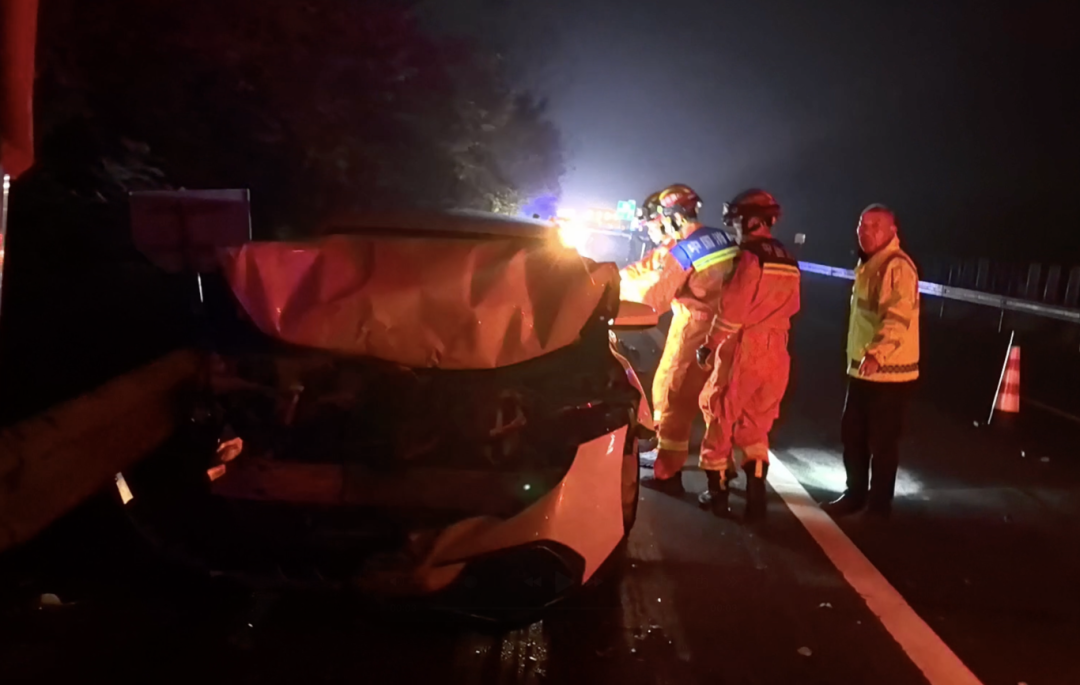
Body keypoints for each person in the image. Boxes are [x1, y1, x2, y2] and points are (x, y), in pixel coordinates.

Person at [621, 184, 739, 495]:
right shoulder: (720, 239)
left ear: (672, 217)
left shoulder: (683, 250)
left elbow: (653, 297)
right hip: (732, 331)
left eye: (657, 222)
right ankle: (722, 467)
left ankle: (667, 472)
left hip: (695, 331)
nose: (654, 229)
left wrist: (609, 290)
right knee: (718, 400)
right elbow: (651, 265)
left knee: (672, 395)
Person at [696, 189, 800, 521]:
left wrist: (710, 344)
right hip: (778, 350)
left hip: (746, 347)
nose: (735, 228)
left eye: (737, 221)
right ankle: (756, 499)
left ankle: (718, 494)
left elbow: (733, 310)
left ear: (753, 221)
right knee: (757, 424)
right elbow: (793, 305)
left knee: (719, 412)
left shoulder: (749, 257)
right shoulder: (787, 258)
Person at [823, 204, 919, 519]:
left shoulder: (896, 267)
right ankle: (855, 495)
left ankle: (878, 508)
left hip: (890, 374)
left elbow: (897, 317)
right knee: (853, 436)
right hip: (865, 370)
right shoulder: (869, 264)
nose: (866, 232)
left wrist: (877, 353)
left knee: (882, 443)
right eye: (862, 226)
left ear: (893, 231)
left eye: (874, 226)